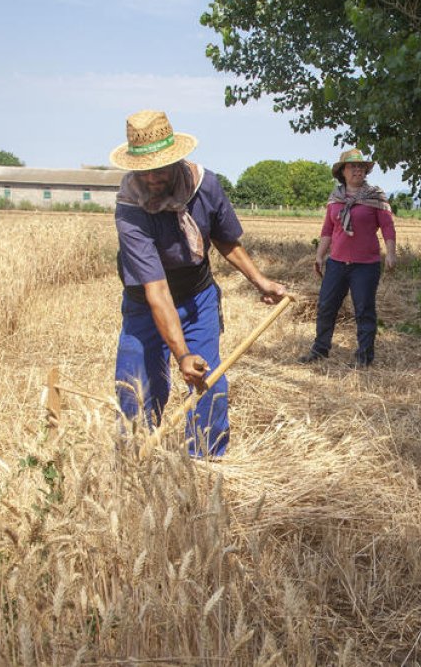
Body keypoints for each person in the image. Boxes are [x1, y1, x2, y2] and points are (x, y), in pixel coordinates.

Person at [110, 110, 286, 457]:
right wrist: (182, 355)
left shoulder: (206, 186)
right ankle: (134, 463)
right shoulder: (129, 207)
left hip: (197, 297)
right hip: (145, 303)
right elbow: (156, 290)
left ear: (176, 160)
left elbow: (225, 240)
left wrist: (260, 281)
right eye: (144, 170)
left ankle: (206, 461)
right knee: (136, 387)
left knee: (209, 381)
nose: (152, 178)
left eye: (159, 168)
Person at [297, 149, 397, 367]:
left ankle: (364, 357)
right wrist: (319, 255)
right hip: (337, 263)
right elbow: (327, 229)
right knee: (326, 306)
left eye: (361, 167)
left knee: (364, 310)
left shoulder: (375, 197)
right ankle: (320, 350)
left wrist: (391, 253)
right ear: (342, 172)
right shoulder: (335, 199)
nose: (357, 170)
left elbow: (388, 227)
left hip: (366, 265)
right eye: (352, 167)